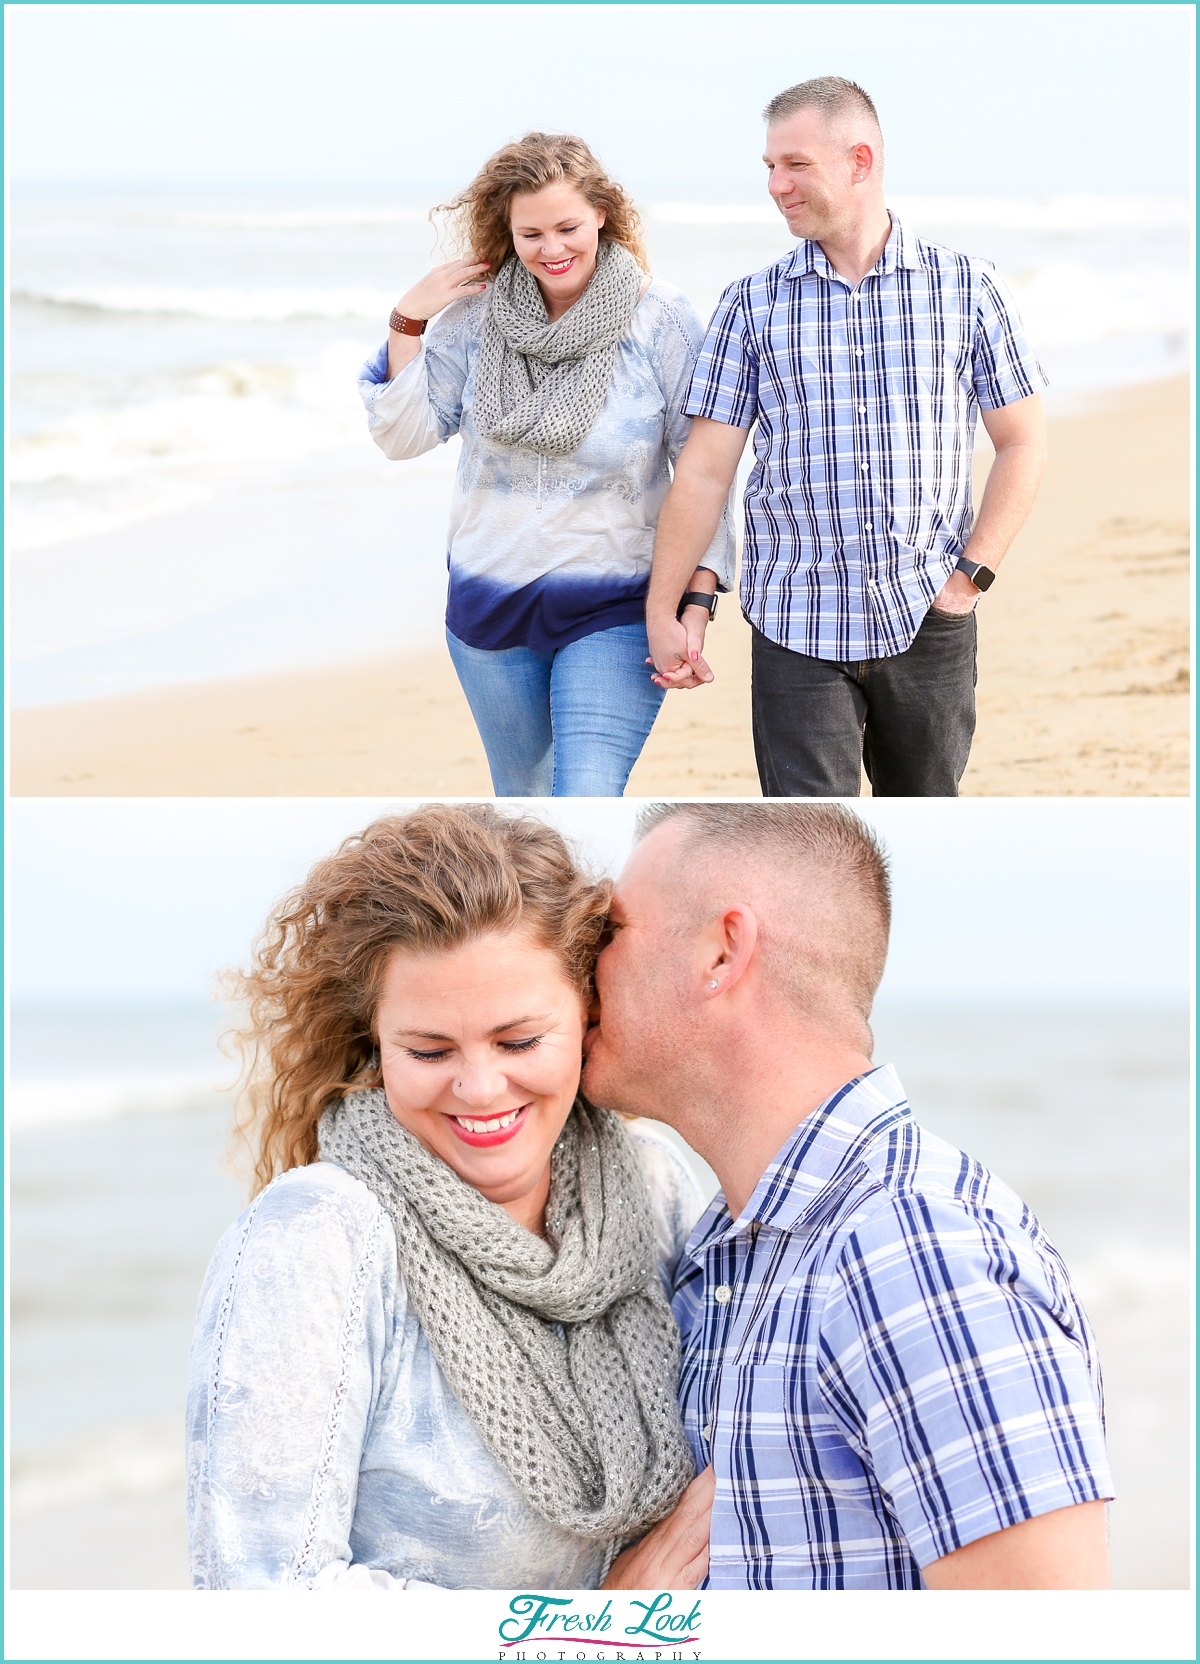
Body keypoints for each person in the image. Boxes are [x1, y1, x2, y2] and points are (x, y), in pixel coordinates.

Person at [585, 801, 1114, 1590]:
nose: (579, 962)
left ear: (722, 953)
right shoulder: (728, 1251)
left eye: (612, 931)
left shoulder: (910, 1246)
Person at [186, 803, 710, 1589]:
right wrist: (604, 1622)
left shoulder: (653, 1183)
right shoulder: (320, 1235)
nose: (478, 1087)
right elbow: (259, 1593)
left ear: (588, 1014)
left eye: (519, 1041)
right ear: (374, 1044)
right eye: (430, 1050)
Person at [645, 77, 1049, 797]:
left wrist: (970, 578)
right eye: (769, 167)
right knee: (810, 847)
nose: (776, 185)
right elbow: (706, 473)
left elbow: (1023, 441)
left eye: (794, 164)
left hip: (928, 612)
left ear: (859, 161)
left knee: (923, 830)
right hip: (794, 621)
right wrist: (667, 608)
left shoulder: (968, 289)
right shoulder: (751, 304)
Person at [358, 133, 733, 797]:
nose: (552, 249)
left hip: (617, 603)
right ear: (506, 232)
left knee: (586, 794)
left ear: (602, 218)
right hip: (490, 604)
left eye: (567, 227)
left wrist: (695, 601)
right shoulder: (474, 319)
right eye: (531, 233)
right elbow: (405, 435)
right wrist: (408, 318)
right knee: (525, 808)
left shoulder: (660, 319)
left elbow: (704, 468)